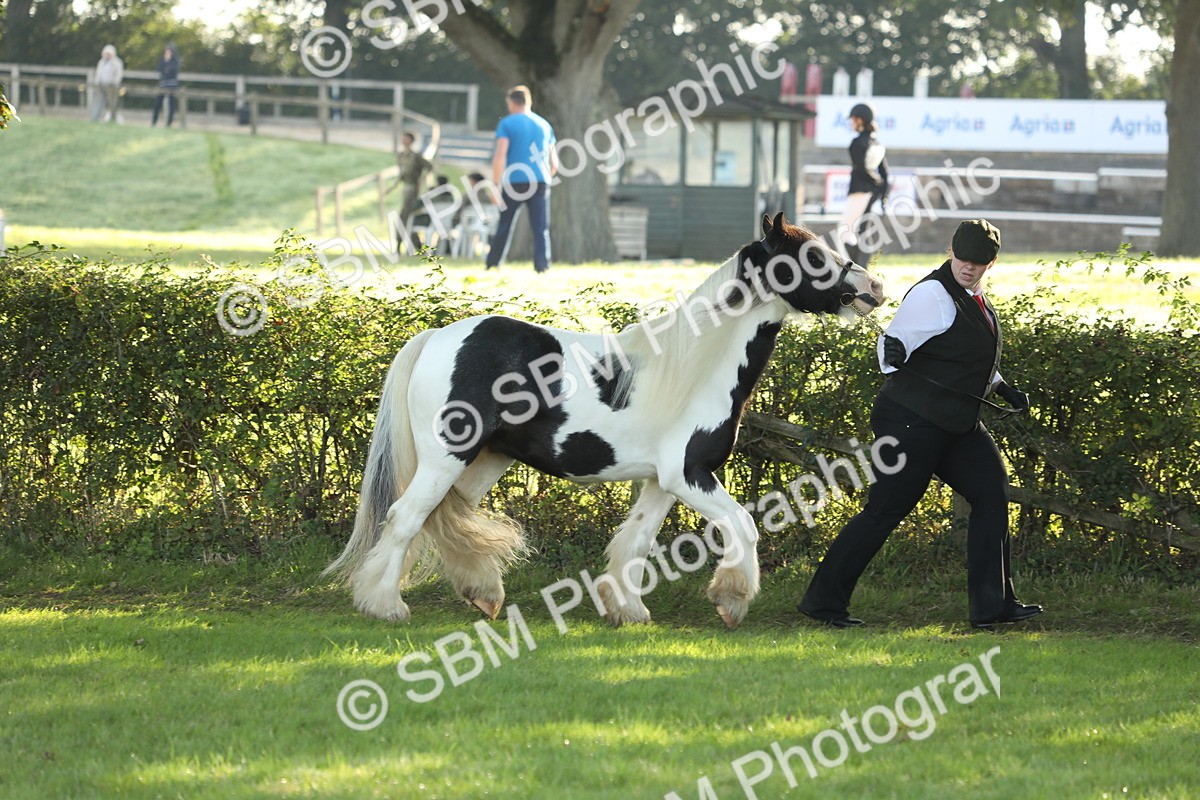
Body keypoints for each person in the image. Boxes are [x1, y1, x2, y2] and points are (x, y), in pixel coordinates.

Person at [798, 219, 1042, 630]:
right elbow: (890, 349)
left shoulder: (974, 298)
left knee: (992, 493)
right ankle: (822, 601)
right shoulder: (931, 295)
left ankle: (993, 606)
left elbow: (964, 357)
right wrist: (891, 351)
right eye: (963, 259)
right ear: (951, 252)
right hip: (911, 421)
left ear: (991, 263)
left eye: (978, 262)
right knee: (885, 509)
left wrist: (1003, 389)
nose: (968, 267)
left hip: (957, 425)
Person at [486, 85, 557, 273]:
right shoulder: (544, 125)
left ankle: (493, 264)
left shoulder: (507, 124)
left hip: (514, 181)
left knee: (505, 224)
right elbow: (554, 162)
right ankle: (542, 266)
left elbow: (500, 155)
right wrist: (544, 176)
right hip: (540, 181)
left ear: (512, 102)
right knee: (540, 227)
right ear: (528, 101)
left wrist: (494, 184)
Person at [839, 102, 889, 266]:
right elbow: (885, 172)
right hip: (871, 193)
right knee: (861, 230)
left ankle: (856, 266)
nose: (851, 123)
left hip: (860, 191)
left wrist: (877, 182)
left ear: (860, 120)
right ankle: (860, 265)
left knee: (845, 232)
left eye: (853, 119)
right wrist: (882, 191)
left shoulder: (857, 143)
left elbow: (861, 168)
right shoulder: (878, 143)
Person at [151, 44, 180, 127]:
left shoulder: (175, 61)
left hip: (172, 85)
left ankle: (169, 123)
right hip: (163, 84)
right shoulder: (163, 60)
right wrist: (166, 63)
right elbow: (159, 69)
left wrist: (167, 68)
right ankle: (154, 122)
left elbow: (173, 71)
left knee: (172, 105)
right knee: (157, 103)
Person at [93, 45, 124, 124]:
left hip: (111, 86)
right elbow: (98, 74)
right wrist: (96, 82)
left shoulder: (117, 63)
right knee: (99, 102)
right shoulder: (101, 62)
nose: (107, 55)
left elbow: (118, 75)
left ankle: (113, 119)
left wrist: (114, 83)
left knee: (112, 104)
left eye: (108, 54)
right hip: (101, 85)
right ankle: (95, 118)